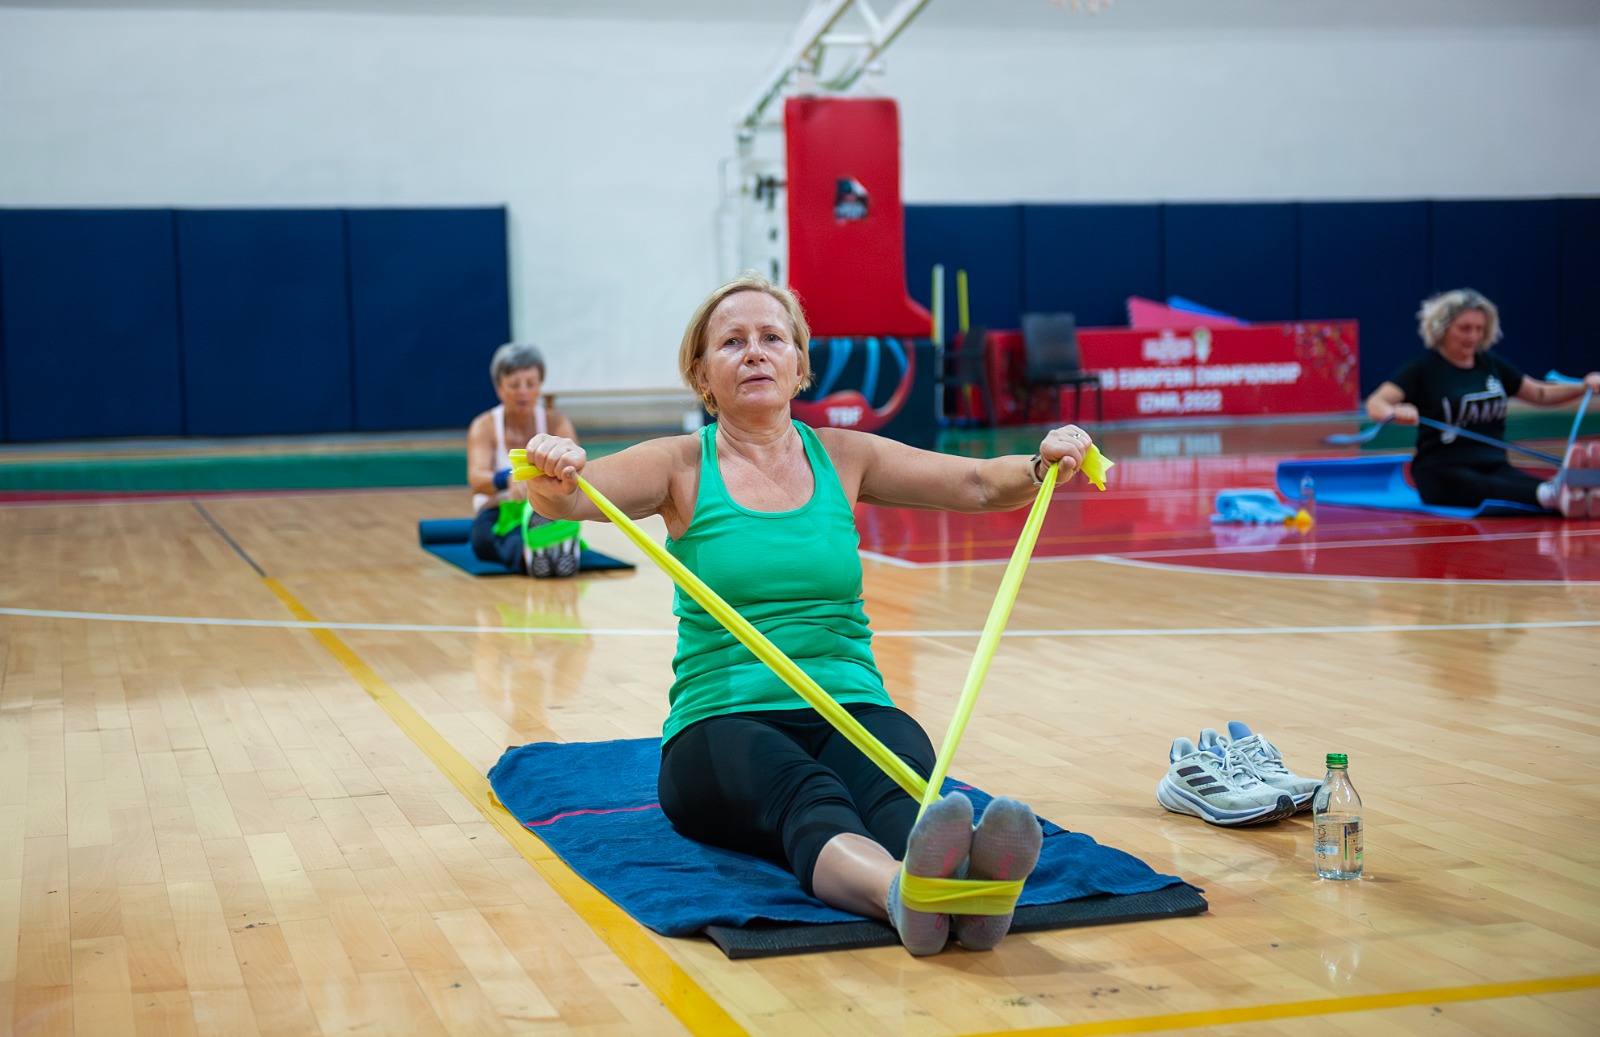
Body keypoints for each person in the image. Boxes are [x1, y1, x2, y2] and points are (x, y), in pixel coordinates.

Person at [519, 273, 1097, 955]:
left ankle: (968, 888)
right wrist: (553, 465)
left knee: (898, 792)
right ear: (703, 375)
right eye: (732, 342)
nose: (755, 352)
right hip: (722, 724)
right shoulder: (679, 464)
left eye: (772, 337)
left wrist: (1042, 461)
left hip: (852, 704)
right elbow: (564, 500)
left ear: (800, 365)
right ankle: (902, 896)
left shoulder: (844, 455)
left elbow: (973, 483)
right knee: (809, 793)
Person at [1364, 288, 1600, 518]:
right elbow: (1376, 402)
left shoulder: (1491, 364)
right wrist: (1395, 411)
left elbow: (1539, 394)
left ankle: (1579, 491)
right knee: (1489, 487)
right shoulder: (1422, 370)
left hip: (1493, 464)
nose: (1473, 337)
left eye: (1479, 329)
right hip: (1442, 473)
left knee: (1515, 481)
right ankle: (1555, 494)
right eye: (1464, 329)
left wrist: (1583, 386)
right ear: (1442, 328)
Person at [467, 343, 584, 577]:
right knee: (483, 538)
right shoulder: (485, 426)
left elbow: (578, 469)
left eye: (531, 384)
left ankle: (543, 548)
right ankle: (536, 552)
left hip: (544, 504)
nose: (523, 392)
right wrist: (508, 479)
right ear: (499, 388)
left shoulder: (557, 423)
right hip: (498, 509)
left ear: (540, 386)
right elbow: (477, 480)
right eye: (514, 385)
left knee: (545, 515)